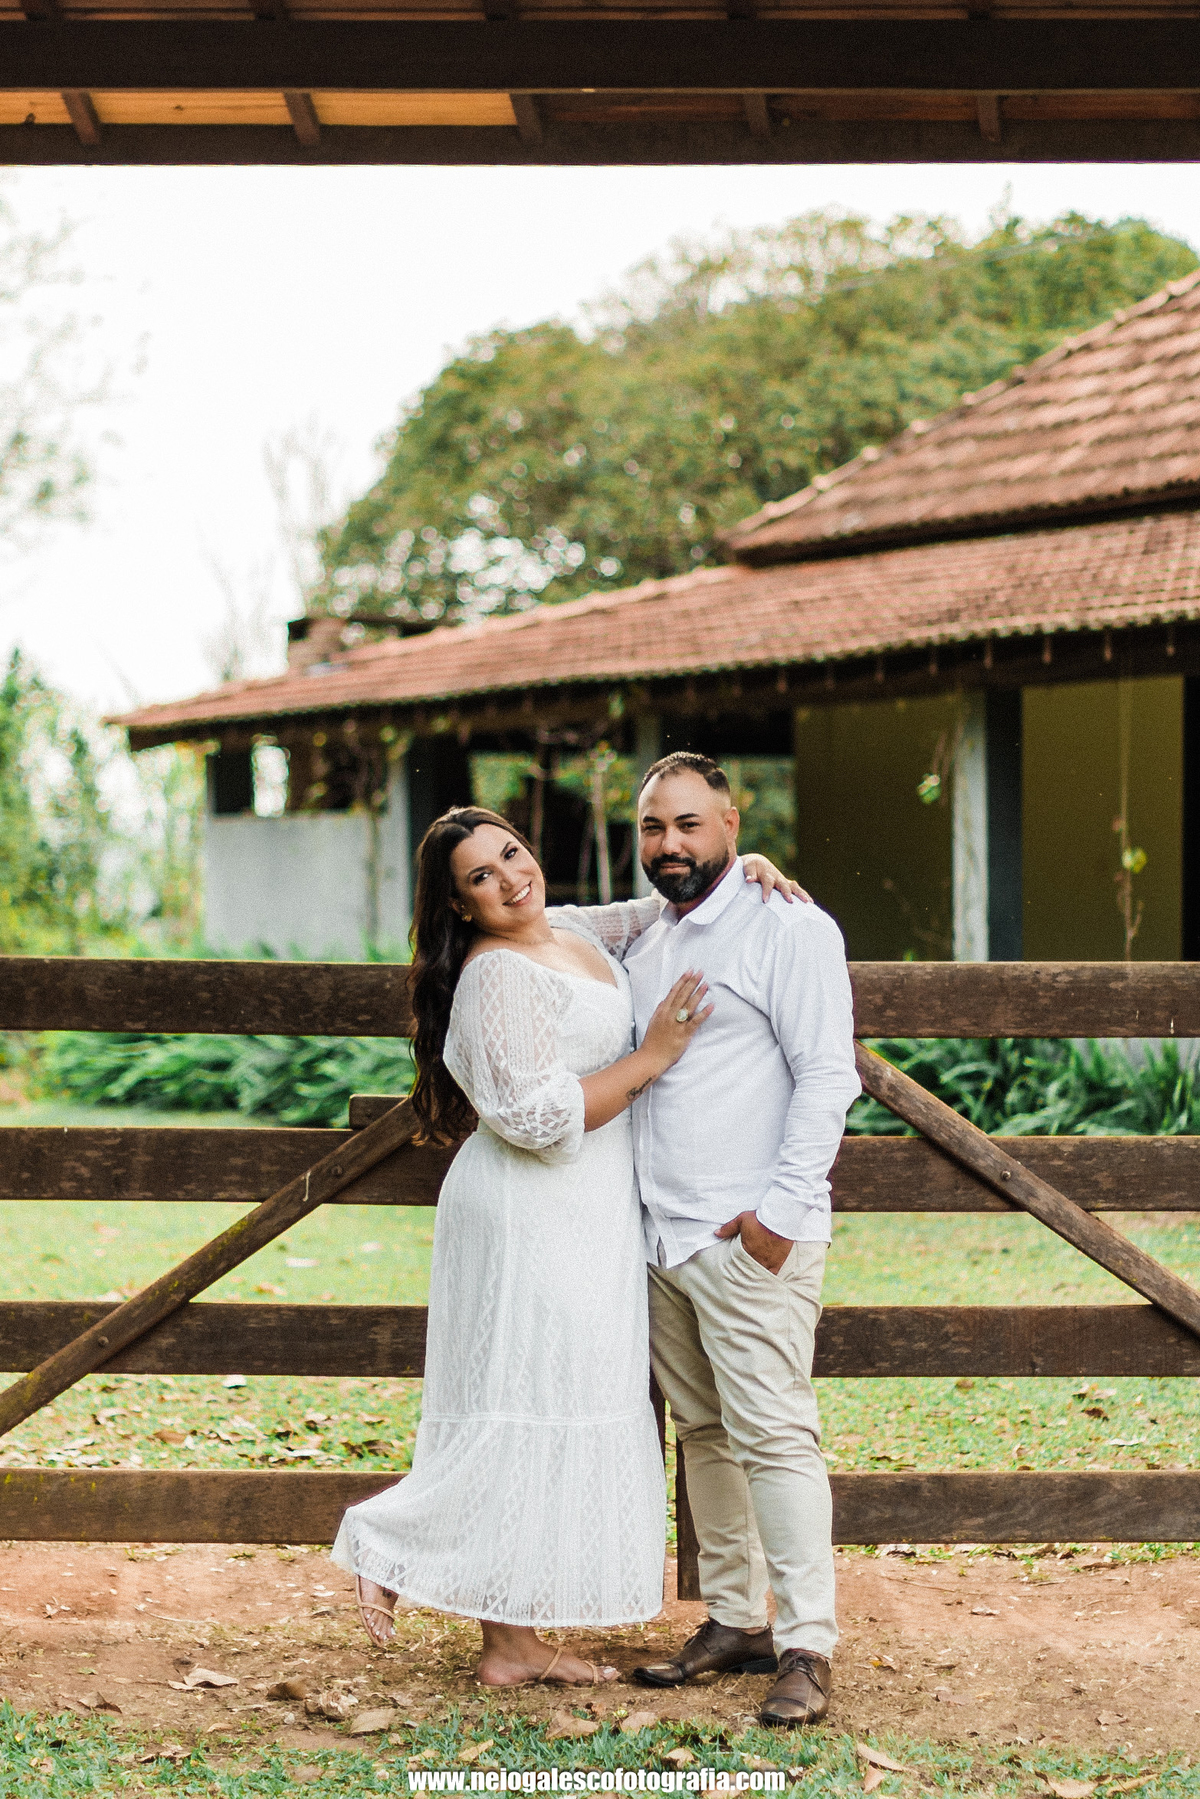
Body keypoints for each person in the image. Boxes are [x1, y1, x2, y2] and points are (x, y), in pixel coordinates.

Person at [330, 804, 799, 1688]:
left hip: (589, 1211)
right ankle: (391, 1544)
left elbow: (662, 906)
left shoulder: (573, 929)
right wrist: (655, 1054)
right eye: (481, 876)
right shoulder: (494, 975)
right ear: (459, 904)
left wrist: (744, 865)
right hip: (526, 1212)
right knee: (522, 1400)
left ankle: (511, 1642)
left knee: (558, 1397)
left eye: (512, 853)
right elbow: (538, 1117)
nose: (511, 877)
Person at [621, 752, 860, 1729]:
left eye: (689, 822)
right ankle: (734, 1617)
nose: (669, 842)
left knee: (774, 1433)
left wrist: (779, 1216)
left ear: (731, 822)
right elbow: (544, 918)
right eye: (653, 826)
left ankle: (808, 1643)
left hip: (748, 1238)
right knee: (704, 1431)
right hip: (662, 1238)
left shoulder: (788, 926)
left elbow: (828, 1073)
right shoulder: (647, 937)